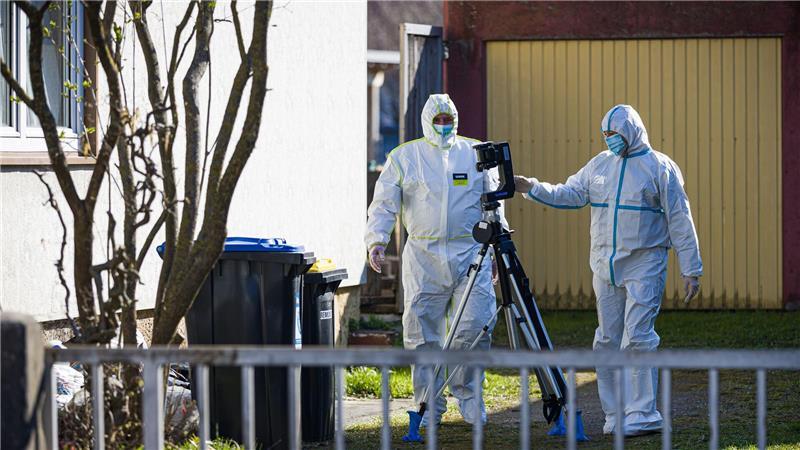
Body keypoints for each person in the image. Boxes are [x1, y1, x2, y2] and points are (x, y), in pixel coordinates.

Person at [514, 104, 702, 436]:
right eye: (605, 135)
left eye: (614, 134)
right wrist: (531, 187)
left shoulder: (660, 168)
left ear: (631, 131)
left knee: (638, 338)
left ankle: (642, 413)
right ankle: (614, 415)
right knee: (606, 341)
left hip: (645, 263)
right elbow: (570, 194)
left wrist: (691, 268)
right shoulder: (600, 165)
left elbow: (680, 219)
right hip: (604, 267)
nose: (609, 140)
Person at [364, 93, 507, 426]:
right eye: (438, 120)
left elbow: (494, 203)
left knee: (475, 326)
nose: (444, 126)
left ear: (456, 121)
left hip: (472, 251)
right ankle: (428, 405)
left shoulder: (475, 153)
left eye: (449, 120)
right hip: (423, 256)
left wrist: (498, 246)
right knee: (421, 332)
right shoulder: (404, 157)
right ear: (427, 121)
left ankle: (469, 396)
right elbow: (384, 204)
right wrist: (376, 240)